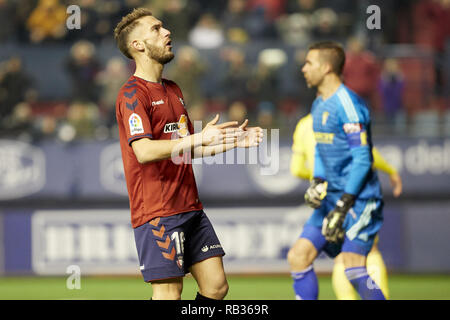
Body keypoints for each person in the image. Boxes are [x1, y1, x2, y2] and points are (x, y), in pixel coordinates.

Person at [113, 8, 263, 300]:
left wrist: (232, 142)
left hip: (190, 206)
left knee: (216, 287)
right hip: (157, 211)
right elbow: (143, 151)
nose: (167, 32)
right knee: (170, 292)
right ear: (138, 45)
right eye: (156, 29)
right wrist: (199, 136)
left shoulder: (173, 89)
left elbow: (184, 149)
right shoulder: (132, 94)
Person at [287, 41, 386, 300]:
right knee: (298, 256)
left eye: (309, 63)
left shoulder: (348, 106)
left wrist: (344, 204)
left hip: (358, 200)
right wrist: (318, 180)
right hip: (331, 199)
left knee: (353, 267)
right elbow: (320, 149)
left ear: (327, 67)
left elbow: (363, 160)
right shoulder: (319, 103)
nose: (303, 68)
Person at [290, 112, 402, 299]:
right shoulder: (343, 119)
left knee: (333, 259)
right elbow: (367, 154)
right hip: (351, 197)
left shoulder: (303, 125)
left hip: (325, 199)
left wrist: (317, 178)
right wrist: (390, 169)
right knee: (363, 255)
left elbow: (296, 168)